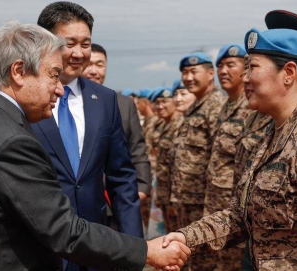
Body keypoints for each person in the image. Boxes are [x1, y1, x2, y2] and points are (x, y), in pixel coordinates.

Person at [0, 20, 189, 271]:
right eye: (53, 75)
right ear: (18, 71)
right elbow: (64, 230)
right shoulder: (12, 140)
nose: (60, 89)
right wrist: (147, 251)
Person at [163, 28, 297, 270]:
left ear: (289, 73)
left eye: (252, 67)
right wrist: (185, 238)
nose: (244, 77)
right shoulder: (272, 134)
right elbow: (241, 216)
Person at [32, 3, 143, 270]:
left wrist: (133, 247)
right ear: (45, 41)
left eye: (86, 44)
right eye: (70, 43)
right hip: (39, 247)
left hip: (96, 246)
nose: (79, 53)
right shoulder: (26, 96)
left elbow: (122, 177)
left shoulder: (104, 99)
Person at [80, 43, 152, 230]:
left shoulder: (123, 104)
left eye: (100, 65)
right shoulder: (63, 100)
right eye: (90, 64)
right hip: (82, 200)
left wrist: (142, 187)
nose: (94, 71)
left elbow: (137, 148)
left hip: (117, 200)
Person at [172, 51, 226, 270]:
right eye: (185, 73)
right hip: (188, 200)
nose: (189, 78)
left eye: (194, 72)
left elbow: (218, 158)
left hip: (205, 204)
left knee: (207, 263)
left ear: (210, 73)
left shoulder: (216, 106)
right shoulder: (197, 106)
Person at [203, 43, 250, 271]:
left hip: (233, 214)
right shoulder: (225, 106)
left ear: (246, 68)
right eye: (220, 66)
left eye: (230, 65)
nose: (223, 71)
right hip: (214, 207)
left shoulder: (252, 109)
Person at [152, 84, 183, 234]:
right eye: (157, 102)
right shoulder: (165, 124)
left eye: (165, 102)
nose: (160, 106)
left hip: (176, 197)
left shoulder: (180, 125)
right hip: (165, 193)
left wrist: (173, 200)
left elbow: (178, 166)